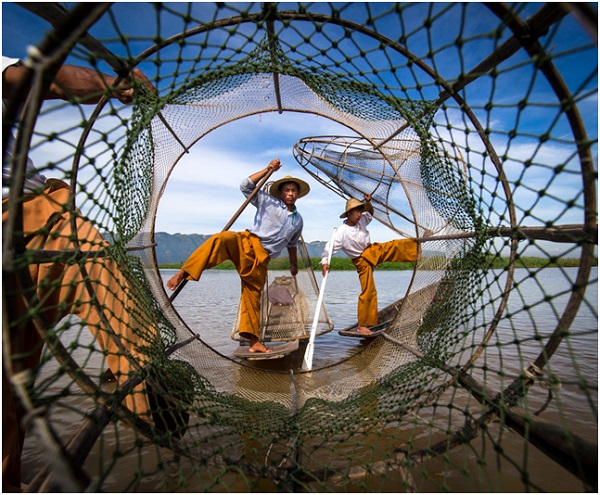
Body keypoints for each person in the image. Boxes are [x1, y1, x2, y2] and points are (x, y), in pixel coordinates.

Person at [2, 55, 158, 492]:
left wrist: (115, 85)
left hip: (38, 215)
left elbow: (41, 80)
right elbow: (45, 82)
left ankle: (149, 403)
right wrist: (118, 84)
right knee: (9, 391)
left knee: (113, 294)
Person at [166, 160, 310, 354]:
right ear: (281, 193)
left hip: (261, 258)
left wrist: (294, 265)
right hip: (246, 242)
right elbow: (245, 185)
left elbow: (292, 244)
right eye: (287, 190)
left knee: (252, 298)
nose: (291, 194)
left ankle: (253, 342)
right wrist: (268, 169)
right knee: (221, 238)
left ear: (298, 194)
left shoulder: (298, 220)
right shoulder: (268, 201)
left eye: (294, 190)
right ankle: (184, 271)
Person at [320, 194, 420, 335]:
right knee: (368, 291)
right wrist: (325, 262)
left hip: (371, 251)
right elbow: (329, 247)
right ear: (349, 213)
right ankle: (362, 326)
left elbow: (369, 213)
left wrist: (368, 202)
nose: (360, 214)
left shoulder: (361, 221)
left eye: (360, 211)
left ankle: (416, 248)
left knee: (392, 245)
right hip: (362, 260)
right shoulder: (341, 232)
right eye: (357, 212)